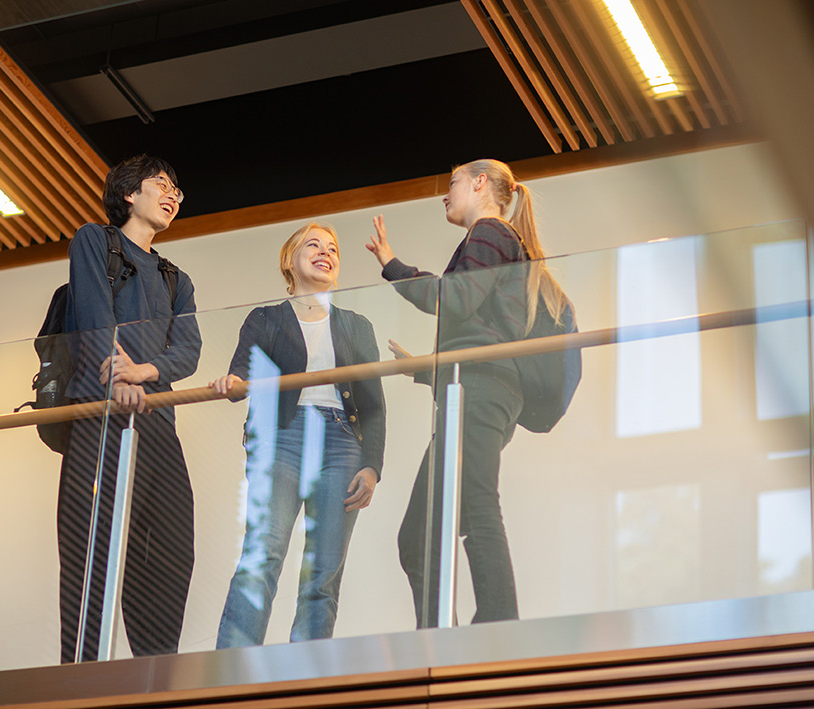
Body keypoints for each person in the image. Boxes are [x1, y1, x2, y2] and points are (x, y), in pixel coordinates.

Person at [365, 158, 570, 628]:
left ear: (480, 183)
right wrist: (425, 372)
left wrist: (392, 266)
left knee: (475, 503)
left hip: (480, 391)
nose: (446, 193)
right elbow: (483, 330)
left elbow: (453, 301)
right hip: (470, 390)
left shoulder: (490, 233)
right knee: (418, 537)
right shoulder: (497, 239)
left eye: (453, 182)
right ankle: (440, 637)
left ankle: (497, 625)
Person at [211, 222, 385, 647]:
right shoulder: (267, 319)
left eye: (333, 248)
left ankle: (304, 672)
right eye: (314, 244)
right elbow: (241, 377)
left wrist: (373, 466)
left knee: (324, 571)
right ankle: (232, 666)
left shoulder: (357, 325)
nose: (326, 252)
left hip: (343, 443)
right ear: (291, 260)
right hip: (281, 439)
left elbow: (375, 404)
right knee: (263, 556)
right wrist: (230, 384)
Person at [57, 154, 201, 662]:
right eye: (162, 183)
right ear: (128, 194)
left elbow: (188, 350)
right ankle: (80, 680)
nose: (172, 196)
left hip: (157, 422)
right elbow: (96, 316)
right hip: (100, 417)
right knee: (90, 556)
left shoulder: (174, 278)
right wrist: (115, 377)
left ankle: (155, 681)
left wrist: (142, 372)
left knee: (169, 555)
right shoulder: (95, 240)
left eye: (177, 191)